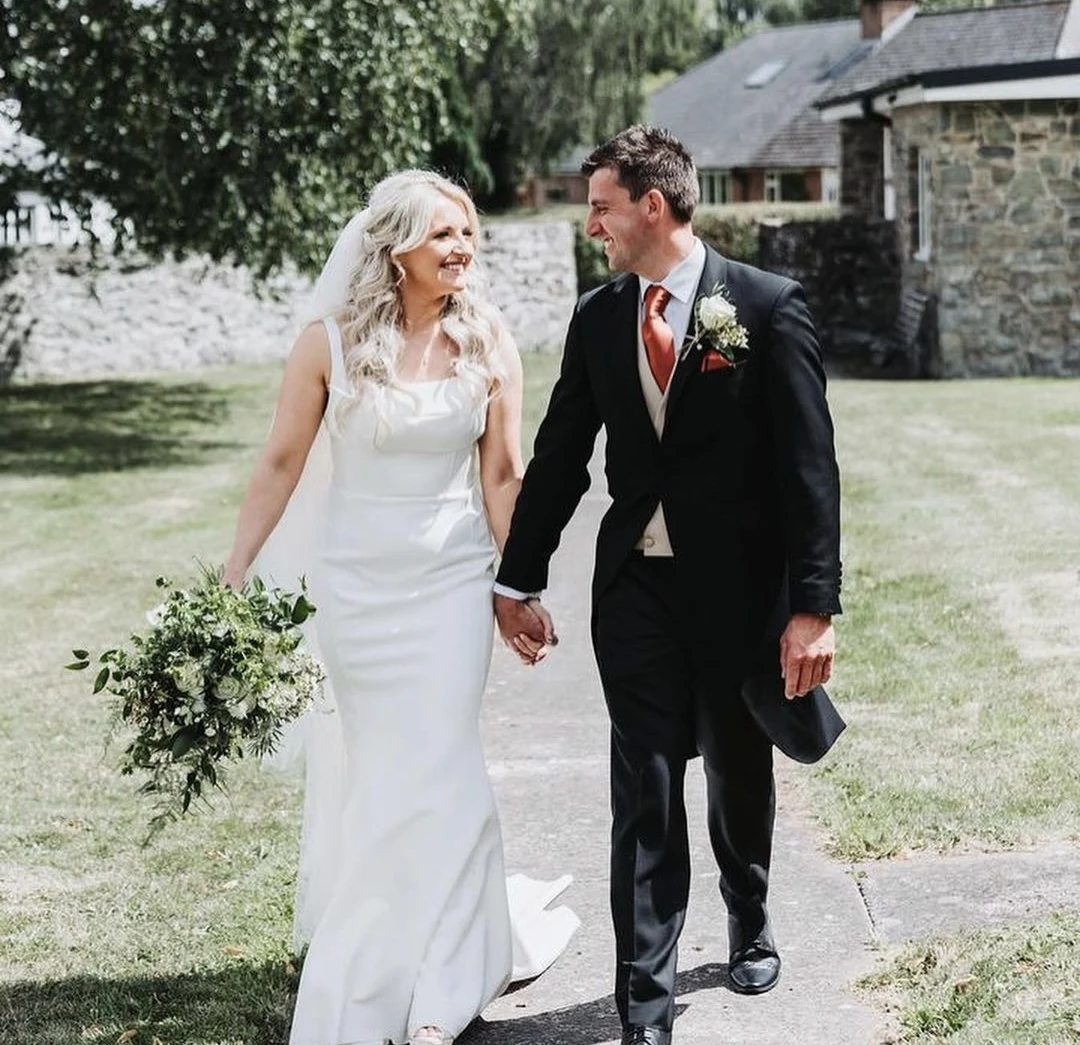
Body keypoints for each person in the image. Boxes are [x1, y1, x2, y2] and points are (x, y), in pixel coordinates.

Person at [493, 126, 845, 1045]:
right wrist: (517, 575)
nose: (591, 226)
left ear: (652, 205)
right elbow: (561, 457)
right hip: (636, 596)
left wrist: (813, 607)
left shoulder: (766, 307)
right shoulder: (599, 317)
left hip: (741, 596)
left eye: (601, 208)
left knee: (737, 768)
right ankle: (644, 1003)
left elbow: (810, 471)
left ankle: (749, 913)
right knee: (644, 787)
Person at [222, 170, 577, 1045]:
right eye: (443, 234)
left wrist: (518, 586)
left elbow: (503, 475)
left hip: (451, 585)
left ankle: (444, 986)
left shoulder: (488, 340)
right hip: (356, 592)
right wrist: (234, 573)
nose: (462, 248)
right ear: (395, 248)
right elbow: (281, 462)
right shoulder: (328, 343)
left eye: (468, 233)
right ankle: (387, 958)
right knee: (387, 778)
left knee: (445, 766)